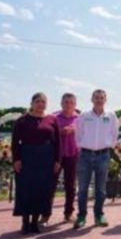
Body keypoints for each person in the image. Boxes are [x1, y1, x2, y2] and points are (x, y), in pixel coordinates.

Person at [12, 92, 61, 234]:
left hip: (46, 158)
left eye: (43, 102)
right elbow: (15, 142)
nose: (41, 104)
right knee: (26, 190)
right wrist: (16, 159)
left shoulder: (52, 119)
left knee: (42, 190)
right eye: (38, 101)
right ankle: (25, 222)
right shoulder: (22, 120)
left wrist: (58, 160)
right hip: (27, 157)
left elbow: (58, 142)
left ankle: (35, 222)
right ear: (32, 103)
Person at [73, 89, 119, 229]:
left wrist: (108, 145)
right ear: (92, 99)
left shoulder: (111, 115)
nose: (99, 100)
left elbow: (114, 133)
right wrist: (83, 145)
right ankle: (81, 216)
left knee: (101, 188)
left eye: (101, 97)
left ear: (105, 99)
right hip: (85, 155)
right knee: (82, 188)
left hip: (103, 155)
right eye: (96, 97)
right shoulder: (84, 115)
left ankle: (99, 215)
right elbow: (78, 133)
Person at [52, 93, 79, 223]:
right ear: (61, 103)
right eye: (66, 102)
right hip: (55, 156)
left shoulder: (80, 118)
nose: (68, 104)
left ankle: (69, 213)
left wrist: (74, 130)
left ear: (75, 104)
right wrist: (59, 131)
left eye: (71, 102)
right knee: (50, 185)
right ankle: (45, 213)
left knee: (71, 186)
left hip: (73, 155)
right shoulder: (53, 117)